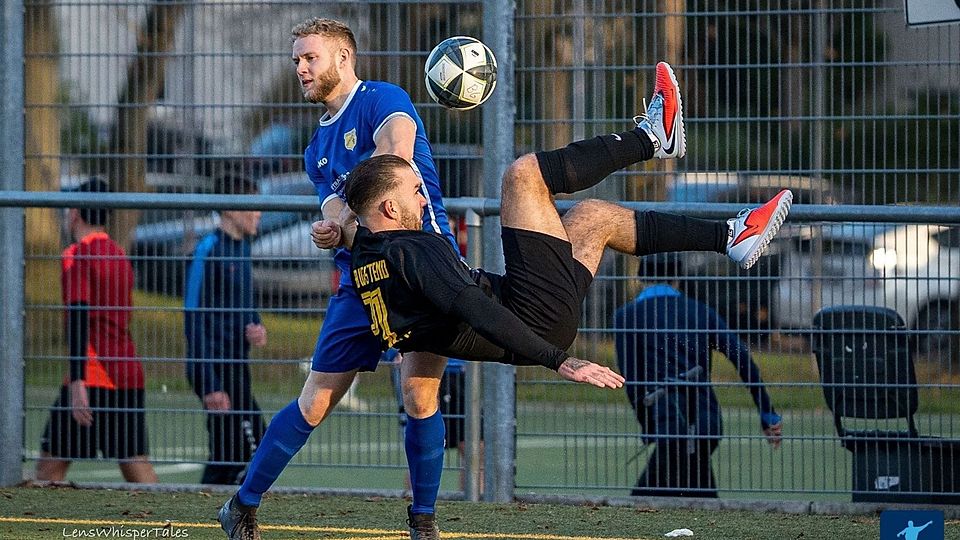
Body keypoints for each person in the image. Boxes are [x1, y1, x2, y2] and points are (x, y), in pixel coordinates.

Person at [342, 62, 791, 529]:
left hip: (528, 310)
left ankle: (732, 235)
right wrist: (561, 360)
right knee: (522, 176)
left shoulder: (368, 256)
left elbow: (406, 303)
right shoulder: (416, 251)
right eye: (416, 192)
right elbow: (473, 307)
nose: (425, 199)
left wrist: (338, 225)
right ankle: (652, 136)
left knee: (596, 218)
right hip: (533, 315)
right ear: (391, 208)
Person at [217, 17, 461, 540]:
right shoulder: (316, 147)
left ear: (343, 59)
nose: (301, 69)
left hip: (422, 268)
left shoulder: (383, 100)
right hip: (361, 281)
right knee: (315, 401)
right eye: (297, 62)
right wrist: (333, 226)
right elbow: (331, 203)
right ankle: (242, 505)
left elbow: (394, 157)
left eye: (310, 58)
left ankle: (423, 521)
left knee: (419, 393)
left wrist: (344, 212)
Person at [614, 254, 783, 498]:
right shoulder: (701, 312)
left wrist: (648, 424)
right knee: (697, 494)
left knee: (646, 501)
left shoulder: (626, 317)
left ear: (639, 278)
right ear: (678, 279)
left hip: (667, 423)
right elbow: (743, 359)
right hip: (706, 421)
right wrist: (766, 412)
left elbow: (633, 380)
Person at [37, 177, 158, 483]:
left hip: (94, 374)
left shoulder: (78, 254)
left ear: (74, 212)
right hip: (126, 370)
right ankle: (170, 521)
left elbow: (78, 315)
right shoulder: (118, 254)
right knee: (135, 463)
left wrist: (77, 381)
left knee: (49, 466)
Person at [184, 172, 268, 485]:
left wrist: (255, 324)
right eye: (252, 205)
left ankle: (220, 505)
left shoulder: (243, 248)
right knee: (243, 446)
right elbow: (193, 317)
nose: (259, 213)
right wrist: (209, 383)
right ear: (230, 209)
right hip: (213, 367)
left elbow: (242, 302)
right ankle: (212, 507)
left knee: (234, 449)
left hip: (236, 364)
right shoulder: (207, 250)